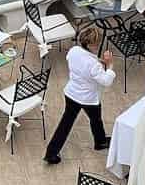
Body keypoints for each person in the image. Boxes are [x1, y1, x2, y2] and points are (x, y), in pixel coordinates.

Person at [43, 23, 115, 164]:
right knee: (96, 119)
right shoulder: (93, 65)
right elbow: (106, 81)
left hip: (71, 93)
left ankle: (51, 153)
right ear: (92, 45)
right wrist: (110, 65)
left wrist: (99, 61)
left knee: (65, 123)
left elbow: (83, 62)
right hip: (88, 99)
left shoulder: (74, 50)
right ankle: (100, 142)